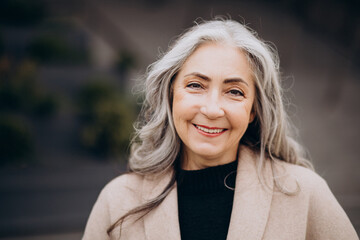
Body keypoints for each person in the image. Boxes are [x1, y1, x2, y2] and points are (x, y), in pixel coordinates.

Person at [82, 19, 358, 240]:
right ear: (170, 96)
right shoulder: (117, 201)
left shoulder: (304, 193)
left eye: (234, 91)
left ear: (253, 110)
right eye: (195, 85)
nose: (213, 109)